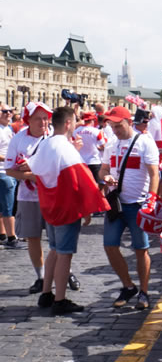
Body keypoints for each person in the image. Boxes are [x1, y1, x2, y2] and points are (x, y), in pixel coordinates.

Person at [30, 107, 96, 315]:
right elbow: (81, 180)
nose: (76, 124)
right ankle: (60, 299)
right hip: (66, 207)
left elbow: (36, 171)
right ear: (68, 123)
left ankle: (46, 292)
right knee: (65, 254)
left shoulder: (46, 143)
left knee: (54, 250)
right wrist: (89, 207)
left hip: (49, 204)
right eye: (75, 120)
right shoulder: (65, 148)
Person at [99, 106, 160, 310]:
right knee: (110, 245)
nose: (115, 130)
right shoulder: (111, 145)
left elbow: (154, 174)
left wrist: (151, 200)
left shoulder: (144, 142)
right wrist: (105, 176)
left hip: (137, 203)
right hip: (116, 204)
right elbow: (103, 169)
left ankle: (144, 291)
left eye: (118, 126)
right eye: (112, 127)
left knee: (140, 249)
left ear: (128, 122)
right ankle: (128, 286)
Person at [6, 102, 53, 292]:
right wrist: (32, 176)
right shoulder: (18, 139)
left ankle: (65, 272)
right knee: (33, 237)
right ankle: (41, 276)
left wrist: (35, 171)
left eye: (45, 118)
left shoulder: (54, 137)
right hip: (28, 196)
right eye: (37, 119)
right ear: (28, 120)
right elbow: (9, 170)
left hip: (52, 195)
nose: (43, 122)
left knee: (56, 238)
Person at [0, 104, 16, 244]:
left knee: (2, 206)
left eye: (11, 111)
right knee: (8, 207)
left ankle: (2, 234)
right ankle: (12, 237)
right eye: (5, 111)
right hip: (3, 172)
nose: (9, 113)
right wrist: (10, 158)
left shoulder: (8, 128)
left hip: (9, 170)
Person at [74, 111, 104, 181]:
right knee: (98, 186)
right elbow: (103, 145)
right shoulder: (97, 131)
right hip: (95, 162)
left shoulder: (76, 131)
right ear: (92, 120)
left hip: (81, 162)